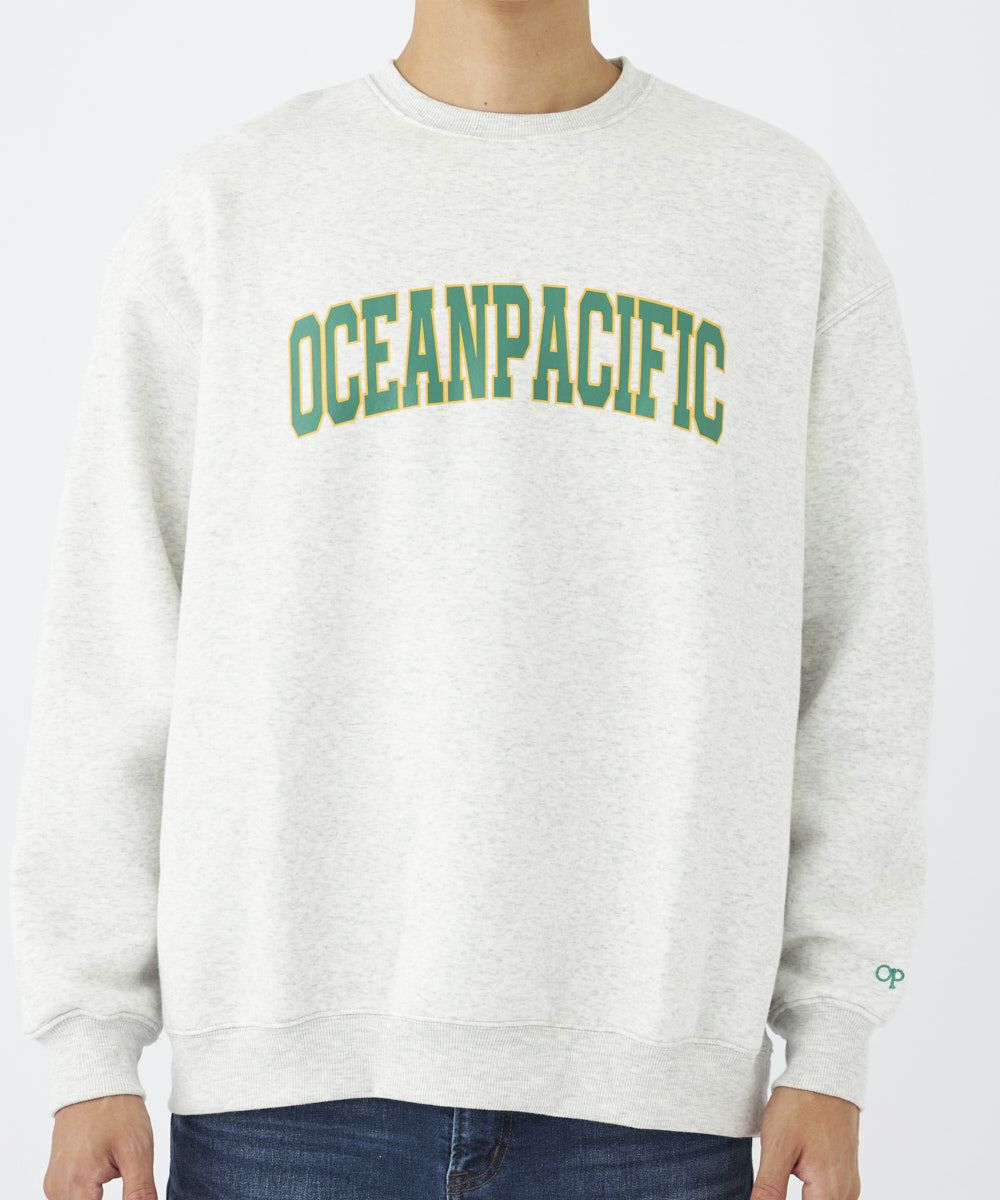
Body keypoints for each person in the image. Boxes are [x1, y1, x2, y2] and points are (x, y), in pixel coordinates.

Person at [10, 1, 934, 1198]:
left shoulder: (776, 210)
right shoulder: (228, 206)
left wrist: (835, 1027)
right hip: (284, 1096)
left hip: (652, 1103)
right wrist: (90, 1038)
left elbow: (863, 652)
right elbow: (115, 629)